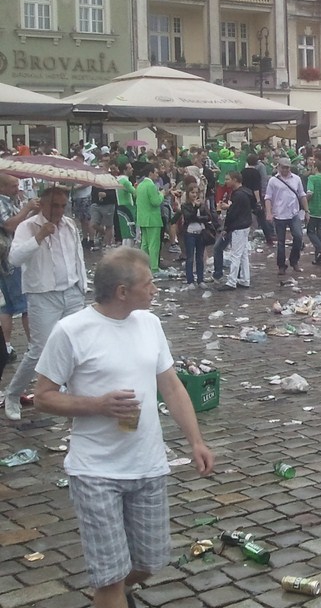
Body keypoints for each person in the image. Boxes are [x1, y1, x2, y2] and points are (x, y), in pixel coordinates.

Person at [34, 247, 215, 608]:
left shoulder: (150, 324)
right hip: (95, 470)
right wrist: (97, 405)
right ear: (121, 291)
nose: (154, 289)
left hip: (147, 465)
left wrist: (196, 440)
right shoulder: (71, 331)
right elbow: (42, 397)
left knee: (149, 561)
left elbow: (172, 386)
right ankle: (110, 594)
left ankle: (112, 594)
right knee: (110, 577)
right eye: (148, 284)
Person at [4, 186, 88, 420]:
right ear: (43, 203)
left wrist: (82, 285)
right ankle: (13, 394)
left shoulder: (69, 224)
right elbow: (14, 258)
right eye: (55, 205)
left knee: (74, 345)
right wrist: (39, 237)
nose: (59, 211)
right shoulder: (28, 226)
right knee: (39, 349)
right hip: (43, 294)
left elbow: (76, 255)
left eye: (63, 206)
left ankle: (69, 390)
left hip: (71, 292)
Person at [0, 174, 37, 362]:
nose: (17, 189)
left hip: (6, 261)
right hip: (9, 260)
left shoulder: (12, 200)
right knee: (25, 304)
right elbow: (9, 225)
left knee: (6, 306)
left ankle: (6, 346)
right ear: (3, 187)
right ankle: (33, 344)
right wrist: (27, 209)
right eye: (13, 186)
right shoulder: (1, 202)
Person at [264, 157, 309, 276]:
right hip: (279, 214)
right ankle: (281, 265)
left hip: (293, 213)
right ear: (278, 167)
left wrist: (307, 210)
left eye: (287, 167)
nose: (285, 170)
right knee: (281, 242)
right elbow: (268, 197)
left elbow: (302, 195)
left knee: (298, 237)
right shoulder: (273, 181)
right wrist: (269, 213)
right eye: (283, 167)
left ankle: (294, 261)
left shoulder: (296, 179)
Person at [177, 185, 213, 290]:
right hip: (190, 233)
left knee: (200, 257)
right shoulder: (185, 206)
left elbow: (208, 217)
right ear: (188, 194)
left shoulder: (202, 205)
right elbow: (188, 218)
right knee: (190, 257)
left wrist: (198, 218)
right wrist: (196, 209)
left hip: (201, 233)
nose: (194, 195)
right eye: (192, 193)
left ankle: (200, 279)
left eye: (196, 193)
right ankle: (190, 280)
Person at [134, 164, 166, 271]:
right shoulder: (151, 185)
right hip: (153, 219)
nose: (157, 174)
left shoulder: (140, 185)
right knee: (153, 245)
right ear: (150, 173)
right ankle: (154, 268)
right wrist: (162, 194)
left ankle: (143, 266)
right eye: (156, 172)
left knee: (145, 244)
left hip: (142, 218)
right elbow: (155, 202)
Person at [304, 161, 321, 265]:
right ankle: (318, 259)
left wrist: (304, 201)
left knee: (310, 232)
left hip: (313, 209)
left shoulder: (311, 178)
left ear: (315, 168)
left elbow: (310, 192)